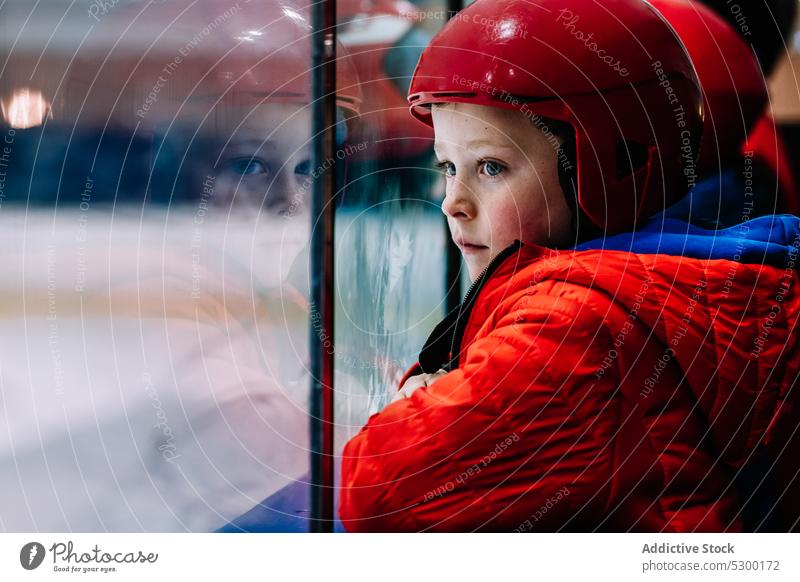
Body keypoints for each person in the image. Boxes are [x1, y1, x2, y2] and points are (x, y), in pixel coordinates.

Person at [339, 0, 800, 532]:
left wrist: (423, 394)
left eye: (491, 167)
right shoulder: (697, 263)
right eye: (447, 166)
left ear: (609, 166)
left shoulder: (575, 323)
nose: (452, 202)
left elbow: (373, 494)